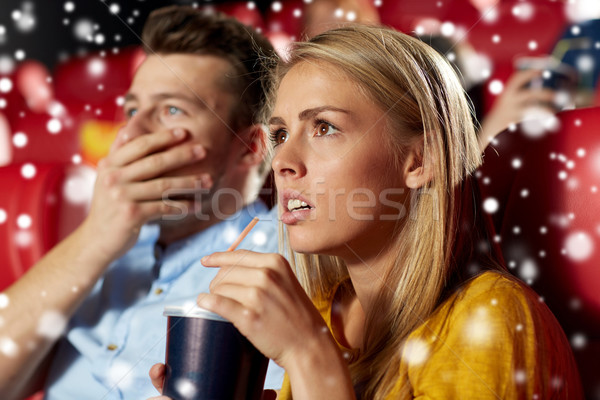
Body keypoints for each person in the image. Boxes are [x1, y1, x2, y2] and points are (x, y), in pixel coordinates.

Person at [149, 25, 583, 399]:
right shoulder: (324, 310)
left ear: (419, 161)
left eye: (324, 127)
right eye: (280, 133)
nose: (282, 161)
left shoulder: (491, 316)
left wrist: (309, 357)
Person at [0, 6, 285, 399]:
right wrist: (95, 239)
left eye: (171, 110)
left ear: (250, 146)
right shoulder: (103, 246)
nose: (131, 131)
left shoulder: (285, 262)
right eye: (132, 109)